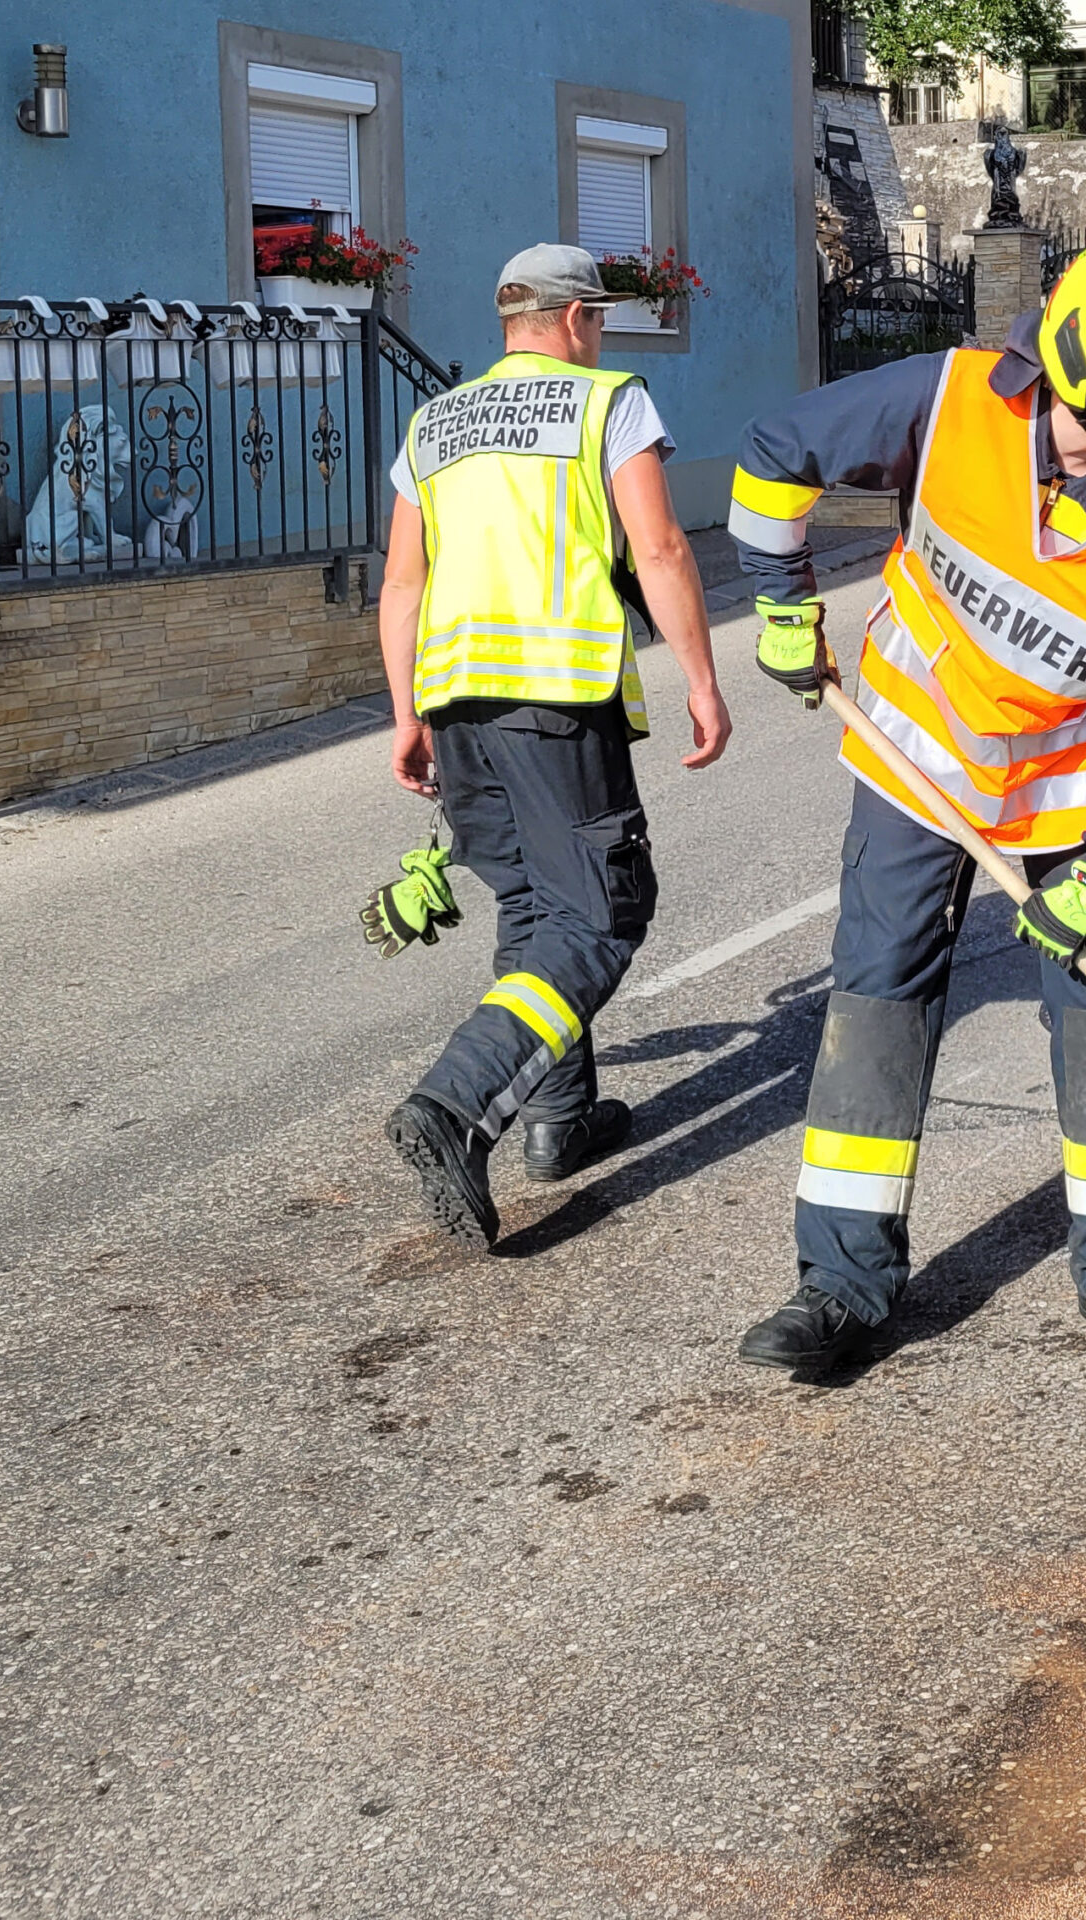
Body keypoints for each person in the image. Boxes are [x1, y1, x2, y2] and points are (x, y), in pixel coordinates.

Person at [725, 225, 1086, 1379]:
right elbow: (772, 455)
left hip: (1067, 797)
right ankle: (843, 1286)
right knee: (879, 1001)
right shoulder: (946, 400)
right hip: (914, 762)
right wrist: (778, 605)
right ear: (1082, 377)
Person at [377, 243, 731, 1245]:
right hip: (553, 697)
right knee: (602, 912)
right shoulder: (603, 401)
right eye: (601, 319)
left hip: (455, 698)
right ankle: (454, 1105)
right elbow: (658, 547)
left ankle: (558, 1119)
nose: (604, 334)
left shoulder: (434, 421)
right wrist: (704, 682)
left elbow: (401, 582)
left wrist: (406, 712)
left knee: (534, 901)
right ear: (576, 318)